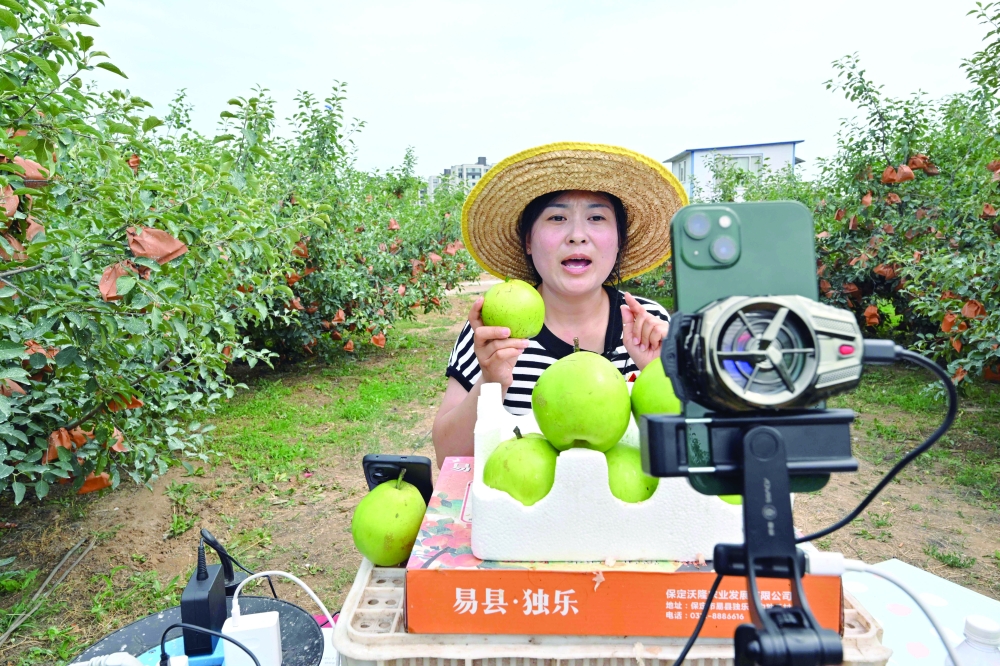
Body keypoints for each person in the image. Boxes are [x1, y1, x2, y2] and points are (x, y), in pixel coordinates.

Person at [432, 143, 688, 467]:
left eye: (596, 217)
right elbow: (448, 458)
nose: (577, 235)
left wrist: (659, 371)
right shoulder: (496, 332)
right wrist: (492, 379)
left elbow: (690, 448)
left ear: (619, 239)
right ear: (528, 240)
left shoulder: (649, 323)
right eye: (557, 217)